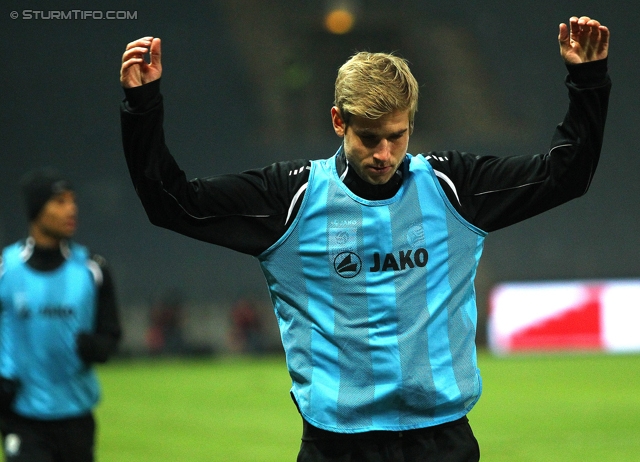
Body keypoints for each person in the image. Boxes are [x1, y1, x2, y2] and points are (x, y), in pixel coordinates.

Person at [119, 15, 610, 461]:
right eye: (369, 137)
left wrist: (586, 80)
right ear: (339, 122)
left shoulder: (453, 189)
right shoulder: (289, 199)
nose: (384, 152)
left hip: (441, 443)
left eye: (396, 135)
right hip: (338, 448)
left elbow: (567, 175)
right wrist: (143, 107)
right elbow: (171, 203)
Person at [0, 168, 122, 462]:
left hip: (76, 414)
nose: (71, 209)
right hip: (21, 415)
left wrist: (96, 347)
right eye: (60, 201)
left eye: (72, 200)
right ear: (37, 210)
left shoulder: (93, 269)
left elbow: (111, 335)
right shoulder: (5, 269)